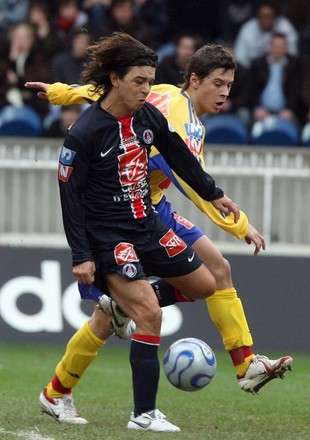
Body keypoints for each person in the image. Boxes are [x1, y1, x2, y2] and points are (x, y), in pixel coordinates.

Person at [25, 41, 293, 426]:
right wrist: (236, 223)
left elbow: (101, 90)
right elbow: (185, 179)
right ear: (195, 80)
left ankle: (59, 389)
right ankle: (241, 365)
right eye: (218, 83)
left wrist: (60, 92)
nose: (225, 93)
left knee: (207, 277)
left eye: (230, 86)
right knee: (209, 276)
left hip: (148, 210)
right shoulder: (176, 120)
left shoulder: (158, 94)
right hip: (133, 211)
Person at [248, 32, 304, 125]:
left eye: (281, 47)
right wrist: (257, 108)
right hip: (261, 110)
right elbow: (251, 89)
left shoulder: (294, 65)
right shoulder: (257, 64)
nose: (278, 50)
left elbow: (296, 91)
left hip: (285, 111)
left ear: (286, 48)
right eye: (275, 46)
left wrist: (290, 109)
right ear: (269, 47)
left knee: (294, 127)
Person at [234, 1, 299, 68]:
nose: (265, 20)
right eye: (262, 16)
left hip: (280, 70)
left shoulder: (286, 28)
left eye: (268, 16)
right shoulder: (248, 29)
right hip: (254, 71)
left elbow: (292, 56)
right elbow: (240, 58)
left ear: (275, 18)